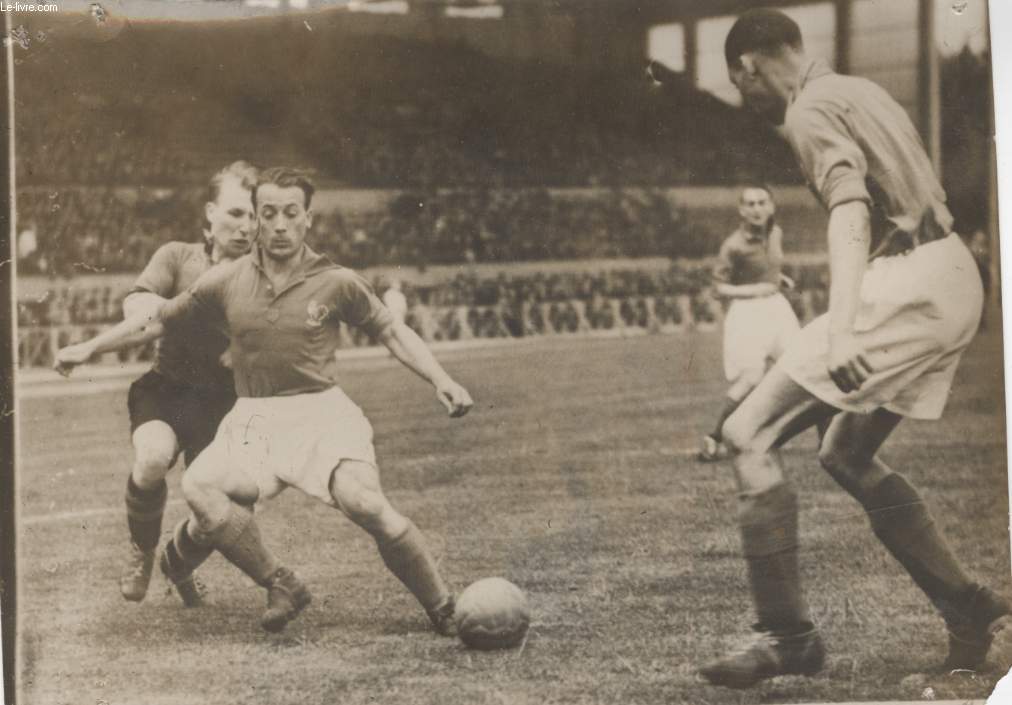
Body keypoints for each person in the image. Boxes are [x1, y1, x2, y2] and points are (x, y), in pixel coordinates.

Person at [698, 9, 1012, 689]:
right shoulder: (859, 91)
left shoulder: (807, 109)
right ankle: (966, 604)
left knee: (747, 432)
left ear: (751, 65)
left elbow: (849, 209)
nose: (746, 98)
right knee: (844, 451)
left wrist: (842, 327)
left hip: (909, 281)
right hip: (957, 273)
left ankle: (787, 634)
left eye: (738, 83)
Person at [142, 167, 472, 634]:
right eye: (269, 214)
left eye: (290, 214)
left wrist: (441, 378)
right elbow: (160, 319)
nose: (279, 225)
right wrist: (90, 347)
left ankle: (442, 607)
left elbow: (391, 330)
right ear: (256, 218)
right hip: (255, 417)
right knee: (201, 486)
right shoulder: (227, 279)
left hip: (320, 413)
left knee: (365, 504)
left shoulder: (336, 280)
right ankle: (281, 582)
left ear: (307, 219)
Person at [54, 161, 260, 607]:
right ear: (209, 213)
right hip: (168, 391)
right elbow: (146, 315)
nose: (247, 226)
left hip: (226, 405)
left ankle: (178, 563)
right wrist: (91, 345)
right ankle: (143, 552)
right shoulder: (176, 257)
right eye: (236, 213)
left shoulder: (263, 277)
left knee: (233, 507)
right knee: (151, 459)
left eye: (254, 215)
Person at [698, 185, 799, 461]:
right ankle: (714, 437)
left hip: (777, 308)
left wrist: (779, 280)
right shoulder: (733, 245)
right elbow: (719, 288)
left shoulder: (775, 233)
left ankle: (823, 440)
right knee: (751, 378)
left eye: (761, 202)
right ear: (741, 210)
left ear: (772, 206)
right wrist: (754, 289)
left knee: (802, 367)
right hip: (747, 314)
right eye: (750, 204)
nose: (756, 209)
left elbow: (769, 269)